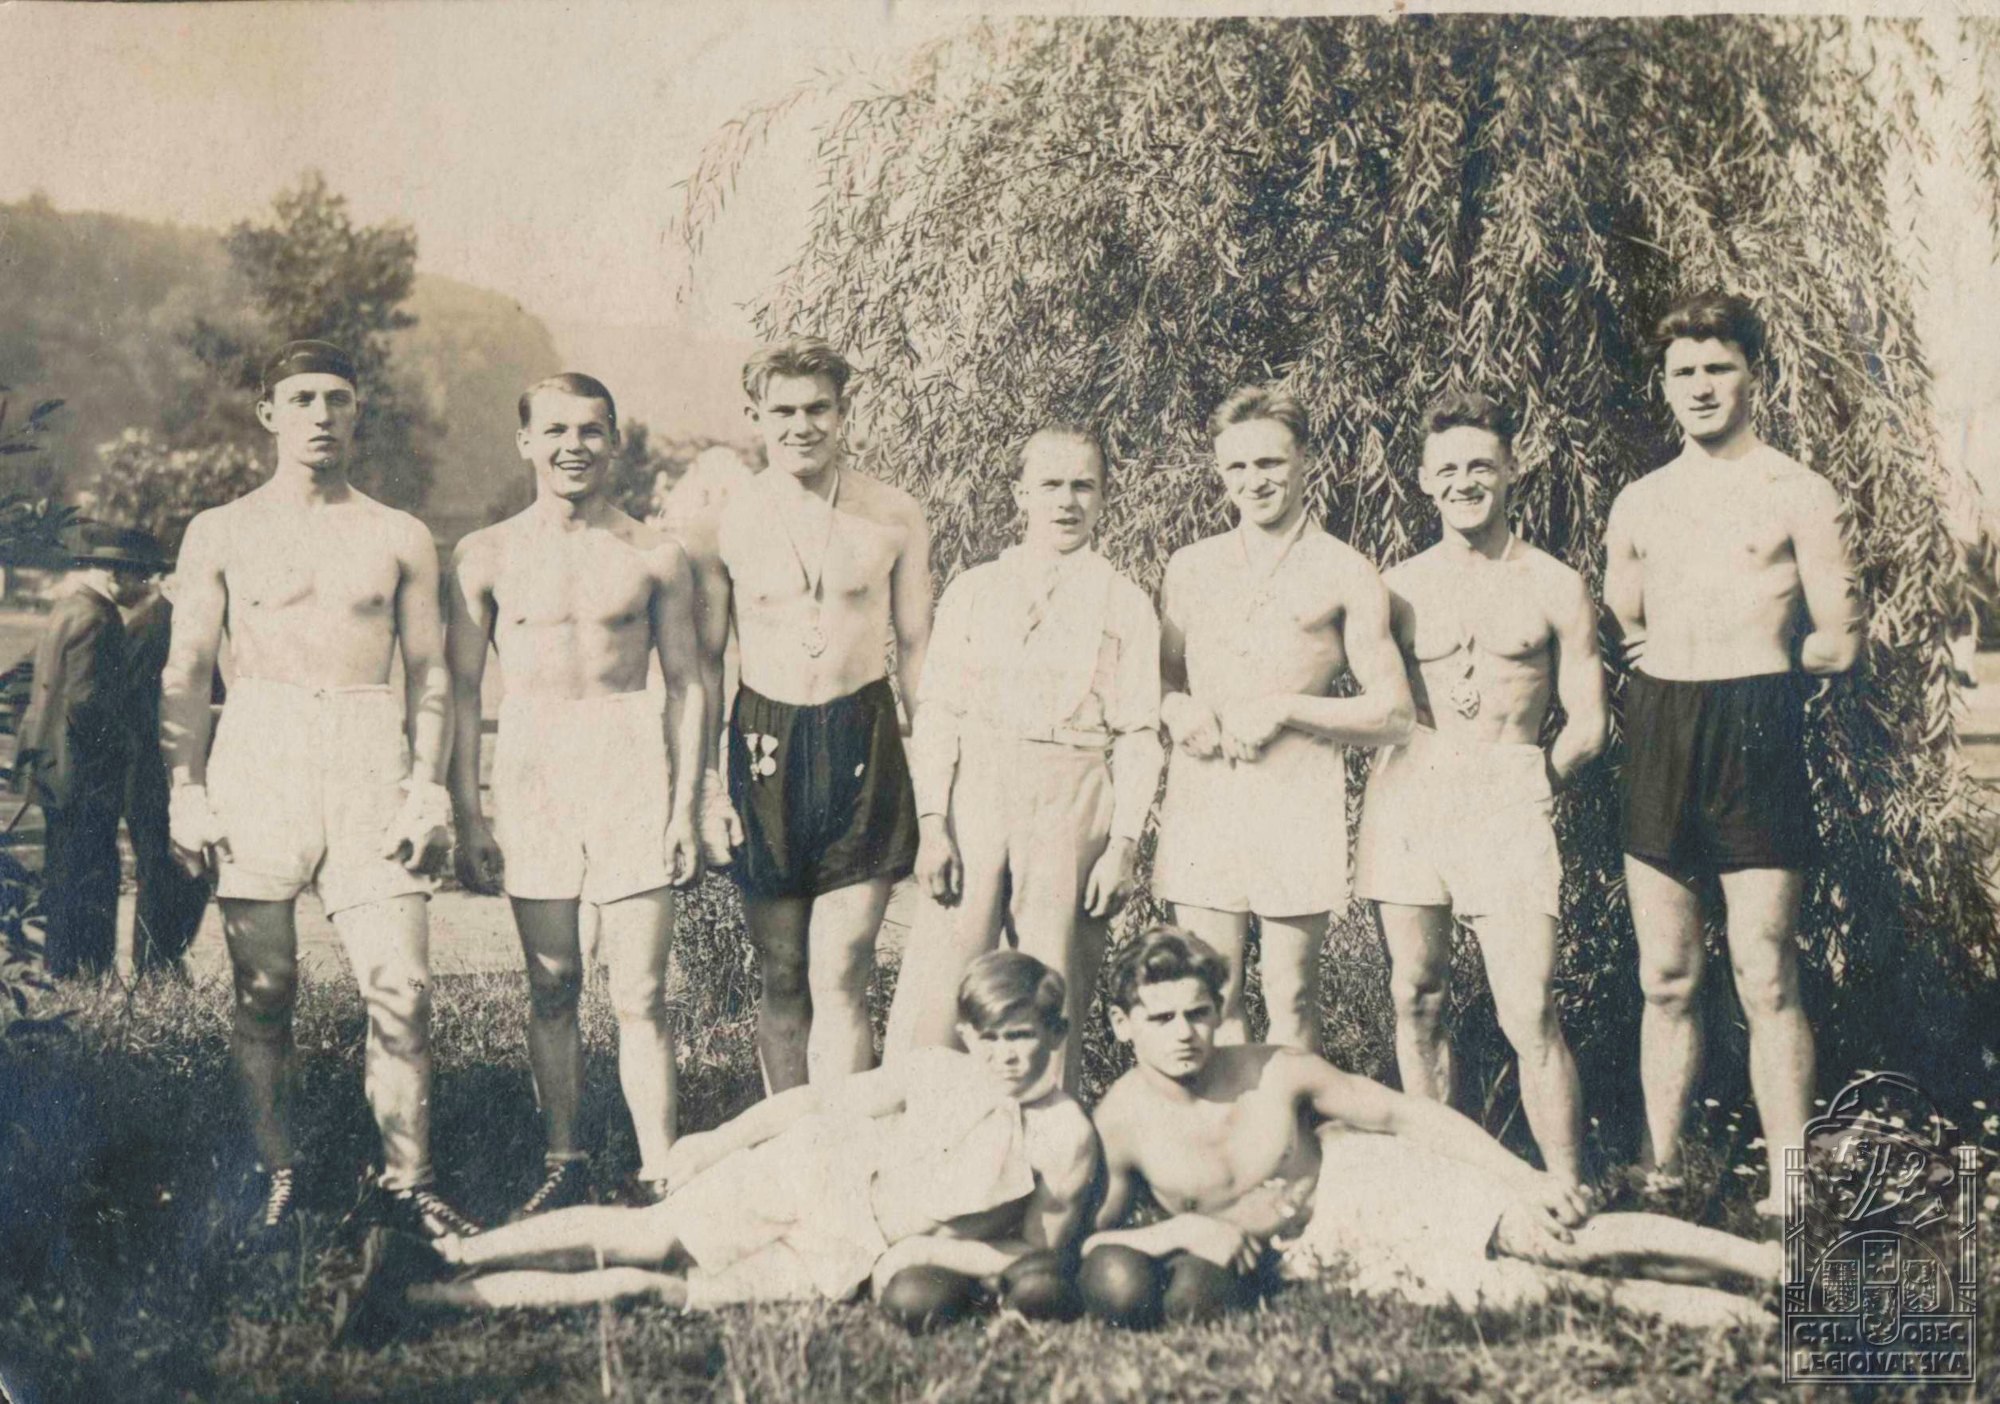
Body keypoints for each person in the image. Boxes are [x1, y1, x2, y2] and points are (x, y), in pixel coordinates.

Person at [338, 950, 1098, 1336]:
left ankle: (428, 1302)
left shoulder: (1064, 1135)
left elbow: (1035, 1258)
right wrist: (715, 1141)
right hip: (817, 1172)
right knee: (647, 1234)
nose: (1005, 1056)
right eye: (991, 1038)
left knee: (660, 1287)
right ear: (967, 1033)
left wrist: (927, 1252)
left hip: (855, 1250)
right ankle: (444, 1254)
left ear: (1055, 1034)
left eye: (1022, 1037)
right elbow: (818, 1100)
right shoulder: (938, 1069)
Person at [160, 340, 479, 1242]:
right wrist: (186, 789)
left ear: (357, 410)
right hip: (260, 746)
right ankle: (281, 1173)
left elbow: (430, 670)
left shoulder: (398, 534)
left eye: (337, 397)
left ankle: (410, 1181)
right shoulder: (220, 530)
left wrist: (427, 787)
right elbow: (187, 669)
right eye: (301, 398)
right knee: (265, 988)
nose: (321, 415)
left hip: (368, 747)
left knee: (403, 989)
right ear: (269, 413)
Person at [1080, 929, 1780, 1329]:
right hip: (1322, 1252)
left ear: (1217, 1008)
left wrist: (1525, 1178)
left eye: (1197, 1013)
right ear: (1122, 1023)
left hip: (1370, 1184)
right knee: (1536, 1290)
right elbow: (1079, 1245)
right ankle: (1736, 1318)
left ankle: (1771, 1266)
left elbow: (1403, 1113)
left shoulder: (1274, 1069)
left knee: (1565, 1239)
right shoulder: (1120, 1123)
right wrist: (1182, 1230)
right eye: (1161, 1018)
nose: (1184, 1034)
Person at [1604, 292, 1861, 1216]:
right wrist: (1673, 660)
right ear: (1664, 385)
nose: (1702, 386)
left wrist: (1771, 660)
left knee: (1764, 967)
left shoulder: (1799, 491)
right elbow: (1628, 621)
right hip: (1663, 727)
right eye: (1684, 372)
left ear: (1756, 375)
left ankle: (1790, 1185)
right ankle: (1662, 1172)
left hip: (1757, 725)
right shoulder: (1640, 500)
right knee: (1665, 975)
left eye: (1720, 367)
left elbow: (1839, 638)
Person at [447, 372, 706, 1216]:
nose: (574, 447)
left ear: (615, 441)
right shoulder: (484, 555)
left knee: (641, 991)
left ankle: (661, 1172)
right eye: (555, 430)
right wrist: (469, 811)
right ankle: (564, 1161)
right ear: (525, 441)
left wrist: (686, 806)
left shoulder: (655, 555)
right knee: (553, 981)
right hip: (534, 762)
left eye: (591, 430)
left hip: (628, 757)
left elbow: (689, 685)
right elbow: (460, 694)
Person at [1353, 390, 1605, 1184]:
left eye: (1481, 467)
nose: (1464, 483)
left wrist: (1531, 784)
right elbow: (1367, 701)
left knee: (1528, 1006)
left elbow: (1589, 724)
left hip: (1508, 784)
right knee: (1416, 994)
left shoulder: (1555, 583)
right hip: (1414, 789)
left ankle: (1566, 1189)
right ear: (1424, 480)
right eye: (1448, 469)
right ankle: (1442, 1183)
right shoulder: (1393, 588)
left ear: (1511, 469)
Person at [884, 424, 1163, 1088]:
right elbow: (939, 712)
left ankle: (1042, 1137)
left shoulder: (1124, 602)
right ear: (1020, 495)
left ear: (1104, 496)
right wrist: (932, 825)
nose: (1067, 501)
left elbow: (1139, 732)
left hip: (1074, 794)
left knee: (1050, 981)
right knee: (947, 980)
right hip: (979, 791)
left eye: (1083, 486)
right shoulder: (976, 590)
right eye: (1051, 485)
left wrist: (1123, 846)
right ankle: (927, 1125)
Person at [699, 337, 933, 1090]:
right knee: (782, 969)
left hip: (861, 735)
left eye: (818, 409)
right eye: (784, 411)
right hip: (765, 741)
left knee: (843, 968)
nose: (802, 426)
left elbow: (919, 655)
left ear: (843, 413)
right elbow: (706, 667)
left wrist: (937, 787)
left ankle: (842, 1143)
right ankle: (788, 1144)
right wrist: (707, 789)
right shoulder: (724, 520)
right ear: (755, 417)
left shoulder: (892, 514)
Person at [1156, 386, 1413, 1050]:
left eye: (1270, 462)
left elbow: (1394, 713)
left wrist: (1287, 708)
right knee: (1210, 990)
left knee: (1291, 994)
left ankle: (1291, 1115)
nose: (1255, 481)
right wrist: (1177, 707)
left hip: (1296, 795)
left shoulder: (1345, 570)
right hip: (1205, 792)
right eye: (1238, 467)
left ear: (1305, 460)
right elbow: (1160, 678)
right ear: (1220, 471)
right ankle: (1230, 1119)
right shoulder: (1192, 566)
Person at [17, 524, 164, 978]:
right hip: (83, 772)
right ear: (115, 574)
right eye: (141, 576)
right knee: (92, 874)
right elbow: (86, 703)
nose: (147, 586)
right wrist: (128, 740)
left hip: (52, 767)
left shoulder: (67, 608)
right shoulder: (100, 619)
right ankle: (85, 972)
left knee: (64, 872)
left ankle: (61, 969)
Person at [122, 576, 213, 976]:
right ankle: (153, 969)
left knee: (180, 874)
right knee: (163, 872)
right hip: (152, 773)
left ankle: (163, 964)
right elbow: (135, 707)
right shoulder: (158, 626)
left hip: (166, 771)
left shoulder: (174, 623)